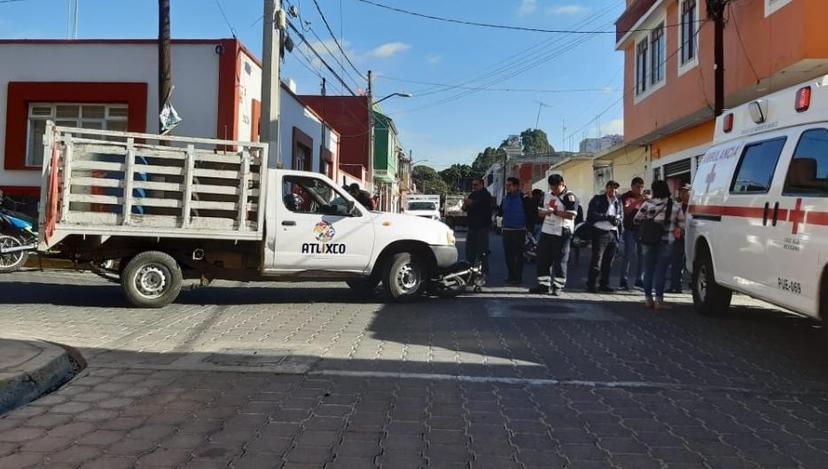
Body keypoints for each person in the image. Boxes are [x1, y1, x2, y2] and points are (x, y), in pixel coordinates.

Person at [634, 180, 686, 310]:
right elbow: (682, 223)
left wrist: (648, 223)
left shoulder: (647, 204)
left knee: (648, 270)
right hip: (666, 242)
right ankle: (659, 300)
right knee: (661, 271)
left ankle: (647, 299)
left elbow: (636, 219)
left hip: (648, 241)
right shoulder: (674, 206)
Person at [529, 174, 578, 296]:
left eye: (556, 188)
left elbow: (571, 215)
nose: (554, 191)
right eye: (552, 188)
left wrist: (555, 212)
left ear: (562, 184)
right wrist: (546, 212)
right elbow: (540, 213)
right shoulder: (546, 195)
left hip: (562, 231)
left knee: (560, 260)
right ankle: (543, 285)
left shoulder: (570, 197)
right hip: (547, 231)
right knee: (543, 259)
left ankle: (558, 286)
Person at [586, 180, 623, 293]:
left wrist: (618, 223)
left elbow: (621, 216)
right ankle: (592, 284)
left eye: (615, 188)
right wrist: (606, 217)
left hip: (613, 233)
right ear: (606, 188)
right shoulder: (598, 199)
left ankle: (604, 284)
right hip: (600, 232)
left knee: (609, 261)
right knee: (597, 259)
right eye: (611, 187)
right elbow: (591, 214)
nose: (613, 190)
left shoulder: (618, 201)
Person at [497, 177, 536, 285]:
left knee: (518, 256)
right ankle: (511, 275)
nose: (507, 187)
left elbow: (531, 213)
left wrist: (529, 229)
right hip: (507, 230)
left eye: (509, 185)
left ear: (516, 186)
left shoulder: (524, 198)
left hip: (519, 231)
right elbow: (500, 212)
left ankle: (518, 277)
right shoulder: (505, 199)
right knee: (508, 255)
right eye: (506, 185)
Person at [619, 177, 646, 290]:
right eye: (637, 187)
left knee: (642, 256)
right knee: (628, 255)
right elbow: (627, 210)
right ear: (632, 187)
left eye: (641, 187)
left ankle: (639, 279)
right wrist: (638, 200)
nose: (639, 189)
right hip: (630, 229)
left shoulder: (645, 198)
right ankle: (623, 279)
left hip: (642, 230)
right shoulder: (626, 196)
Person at [667, 183, 691, 293]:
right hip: (678, 238)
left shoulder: (695, 206)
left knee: (692, 262)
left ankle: (692, 285)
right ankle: (675, 286)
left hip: (692, 237)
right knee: (676, 262)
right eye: (682, 191)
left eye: (686, 191)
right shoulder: (676, 205)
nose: (683, 193)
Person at [463, 178, 493, 266]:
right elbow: (465, 207)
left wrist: (471, 203)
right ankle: (469, 270)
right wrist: (465, 205)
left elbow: (480, 204)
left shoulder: (486, 195)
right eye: (473, 185)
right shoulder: (472, 194)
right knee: (470, 251)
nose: (474, 187)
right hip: (472, 226)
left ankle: (483, 272)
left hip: (482, 227)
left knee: (482, 251)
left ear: (481, 185)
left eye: (475, 185)